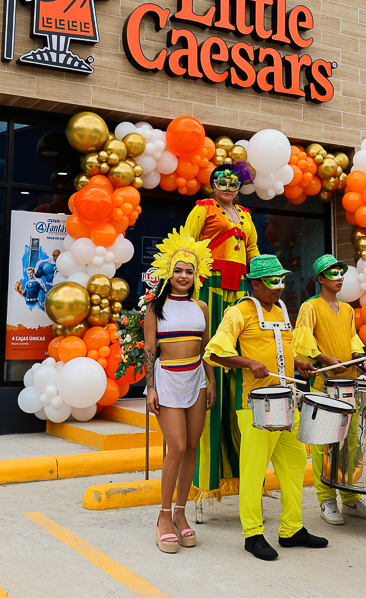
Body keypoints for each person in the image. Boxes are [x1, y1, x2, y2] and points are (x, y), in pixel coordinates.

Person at [205, 254, 326, 561]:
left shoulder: (283, 309)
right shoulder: (238, 312)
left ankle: (291, 529)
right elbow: (215, 353)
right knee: (254, 471)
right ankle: (252, 534)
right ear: (255, 284)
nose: (280, 286)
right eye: (273, 281)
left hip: (288, 399)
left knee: (295, 464)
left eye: (282, 279)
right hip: (255, 404)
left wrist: (300, 364)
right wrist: (247, 362)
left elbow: (284, 351)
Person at [184, 161, 260, 503]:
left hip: (239, 288)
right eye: (221, 181)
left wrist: (258, 281)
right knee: (212, 352)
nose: (228, 186)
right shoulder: (202, 209)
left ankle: (241, 472)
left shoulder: (245, 214)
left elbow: (254, 252)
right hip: (210, 287)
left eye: (233, 182)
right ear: (212, 185)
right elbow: (186, 249)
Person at [144, 228, 216, 553]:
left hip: (197, 379)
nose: (183, 275)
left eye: (189, 270)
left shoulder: (201, 307)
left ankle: (181, 513)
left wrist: (211, 380)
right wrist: (149, 389)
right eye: (178, 270)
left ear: (196, 275)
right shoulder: (155, 309)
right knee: (176, 446)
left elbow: (207, 347)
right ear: (167, 273)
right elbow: (149, 351)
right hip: (168, 380)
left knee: (192, 448)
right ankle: (162, 517)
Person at [292, 254, 366, 525]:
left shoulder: (349, 309)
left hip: (348, 384)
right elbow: (302, 341)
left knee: (350, 444)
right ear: (320, 279)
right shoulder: (311, 307)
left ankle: (350, 498)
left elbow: (353, 337)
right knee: (323, 446)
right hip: (322, 385)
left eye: (341, 273)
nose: (340, 277)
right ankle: (326, 500)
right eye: (333, 274)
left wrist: (357, 354)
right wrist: (324, 359)